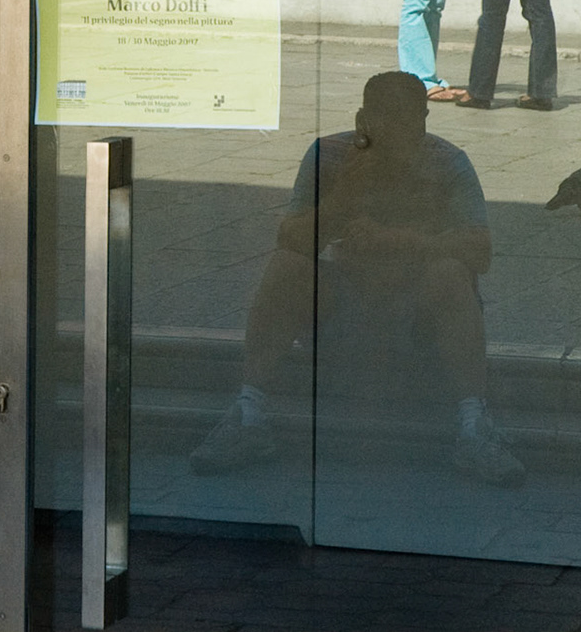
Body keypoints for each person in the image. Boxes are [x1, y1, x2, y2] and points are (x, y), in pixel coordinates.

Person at [189, 71, 524, 486]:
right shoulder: (329, 155)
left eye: (410, 120)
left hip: (417, 312)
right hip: (344, 303)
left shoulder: (448, 162)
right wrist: (343, 195)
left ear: (424, 119)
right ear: (363, 120)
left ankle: (474, 426)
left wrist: (403, 241)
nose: (402, 133)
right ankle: (248, 414)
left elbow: (480, 251)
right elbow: (291, 239)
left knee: (452, 274)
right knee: (287, 266)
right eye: (389, 120)